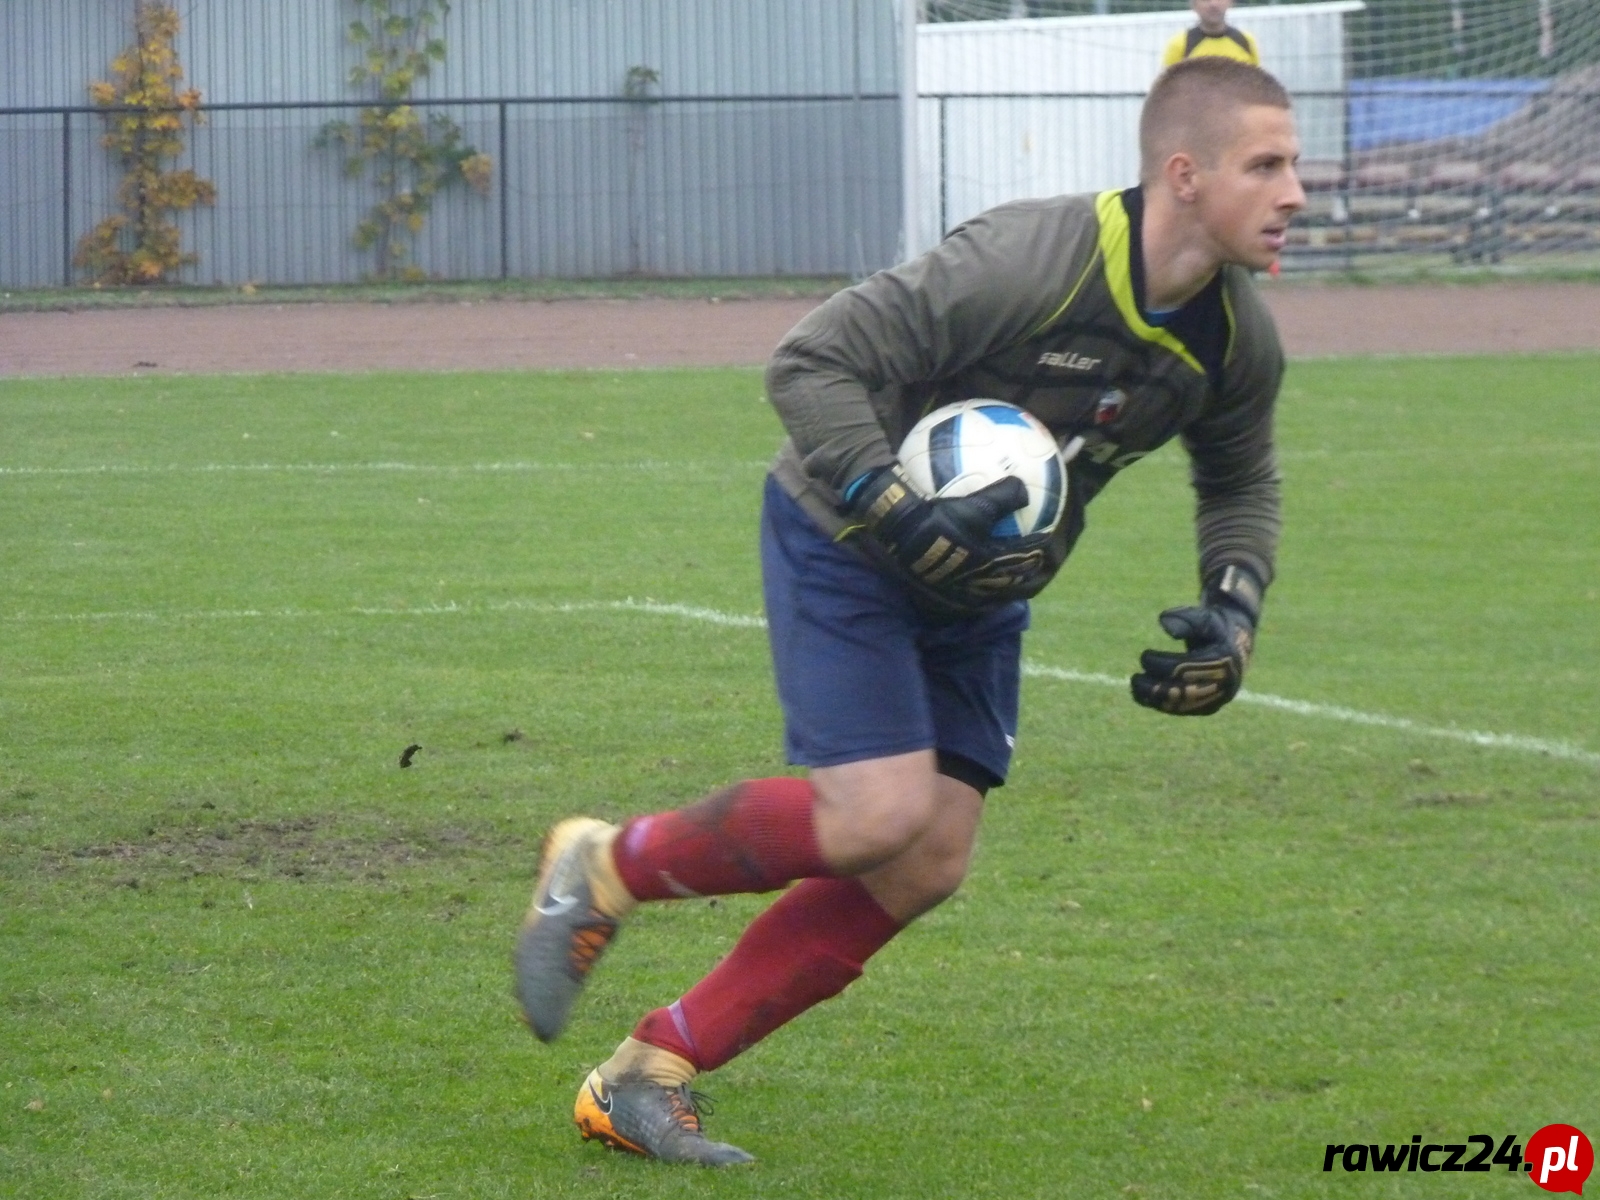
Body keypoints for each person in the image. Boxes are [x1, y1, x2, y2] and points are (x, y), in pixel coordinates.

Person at [512, 56, 1305, 1166]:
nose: (1294, 194)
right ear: (1184, 175)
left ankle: (647, 1072)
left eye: (1293, 166)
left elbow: (1240, 481)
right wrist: (892, 505)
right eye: (1265, 166)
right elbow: (812, 361)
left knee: (926, 860)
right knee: (876, 816)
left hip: (981, 594)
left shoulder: (1234, 341)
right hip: (843, 538)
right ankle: (607, 864)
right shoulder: (1030, 260)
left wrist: (1234, 613)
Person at [1162, 0, 1261, 68]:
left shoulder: (1246, 41)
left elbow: (1256, 85)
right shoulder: (1180, 44)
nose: (1214, 4)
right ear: (1194, 5)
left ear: (1230, 2)